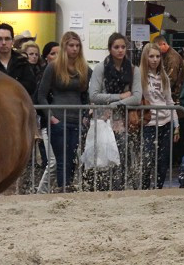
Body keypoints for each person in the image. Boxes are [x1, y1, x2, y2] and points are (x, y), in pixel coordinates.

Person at [35, 31, 89, 192]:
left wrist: (85, 115)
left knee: (72, 160)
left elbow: (87, 95)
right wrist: (51, 117)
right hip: (58, 119)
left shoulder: (84, 68)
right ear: (65, 47)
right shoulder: (53, 67)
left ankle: (67, 191)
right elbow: (41, 96)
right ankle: (62, 192)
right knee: (61, 160)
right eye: (71, 45)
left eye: (77, 45)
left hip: (76, 120)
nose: (75, 49)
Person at [88, 31, 142, 190]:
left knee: (122, 157)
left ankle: (120, 189)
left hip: (123, 120)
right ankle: (100, 189)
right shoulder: (100, 68)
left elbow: (137, 97)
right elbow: (94, 95)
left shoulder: (133, 70)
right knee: (101, 158)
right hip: (102, 120)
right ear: (110, 49)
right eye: (116, 47)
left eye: (123, 47)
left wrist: (116, 104)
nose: (120, 50)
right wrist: (119, 96)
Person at [138, 42, 179, 189]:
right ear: (145, 58)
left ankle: (159, 188)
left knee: (163, 161)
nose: (155, 60)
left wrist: (176, 125)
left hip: (166, 122)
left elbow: (169, 101)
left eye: (157, 56)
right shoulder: (139, 76)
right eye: (151, 56)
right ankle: (144, 188)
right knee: (147, 159)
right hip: (148, 124)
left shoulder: (164, 77)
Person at [0, 23, 37, 97]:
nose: (3, 43)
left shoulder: (22, 62)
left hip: (17, 104)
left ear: (12, 41)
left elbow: (31, 86)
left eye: (7, 39)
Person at [33, 42, 60, 193]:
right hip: (47, 123)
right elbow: (38, 98)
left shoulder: (66, 73)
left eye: (59, 53)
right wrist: (49, 116)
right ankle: (41, 193)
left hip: (63, 121)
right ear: (46, 57)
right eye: (53, 53)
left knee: (61, 161)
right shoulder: (43, 74)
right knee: (53, 161)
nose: (57, 57)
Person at [157, 37, 184, 105]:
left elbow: (172, 78)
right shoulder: (167, 55)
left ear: (163, 44)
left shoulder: (172, 58)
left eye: (158, 47)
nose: (157, 50)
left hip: (174, 92)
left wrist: (161, 91)